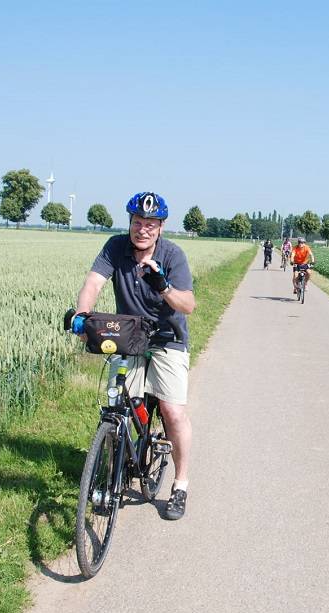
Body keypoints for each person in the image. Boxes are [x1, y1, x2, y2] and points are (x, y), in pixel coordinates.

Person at [74, 191, 196, 520]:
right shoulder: (115, 247)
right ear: (130, 223)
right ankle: (115, 473)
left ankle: (180, 485)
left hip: (167, 338)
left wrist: (163, 287)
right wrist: (82, 314)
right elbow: (93, 283)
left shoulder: (173, 255)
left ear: (160, 228)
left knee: (171, 411)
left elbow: (189, 305)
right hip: (129, 335)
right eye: (137, 223)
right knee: (119, 402)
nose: (142, 230)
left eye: (150, 225)